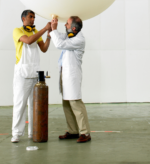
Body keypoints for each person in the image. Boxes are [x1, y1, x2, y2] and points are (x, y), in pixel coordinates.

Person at [11, 10, 51, 143]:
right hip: (22, 74)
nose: (33, 19)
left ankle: (33, 132)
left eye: (34, 17)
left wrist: (49, 35)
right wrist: (44, 29)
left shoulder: (36, 32)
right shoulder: (17, 31)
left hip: (34, 74)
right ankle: (16, 133)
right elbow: (28, 41)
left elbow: (44, 49)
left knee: (34, 106)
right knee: (20, 104)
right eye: (30, 17)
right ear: (23, 18)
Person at [50, 16, 91, 143]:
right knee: (67, 103)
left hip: (72, 76)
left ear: (73, 27)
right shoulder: (70, 35)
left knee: (76, 104)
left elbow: (59, 43)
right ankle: (73, 131)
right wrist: (52, 29)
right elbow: (61, 37)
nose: (65, 26)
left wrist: (53, 29)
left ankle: (85, 132)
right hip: (65, 74)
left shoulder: (79, 39)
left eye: (66, 24)